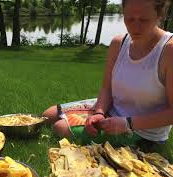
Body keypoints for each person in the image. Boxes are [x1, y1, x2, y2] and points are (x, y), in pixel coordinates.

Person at [43, 0, 173, 146]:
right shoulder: (119, 43)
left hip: (143, 131)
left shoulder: (168, 50)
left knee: (60, 127)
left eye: (144, 20)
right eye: (130, 19)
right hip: (112, 110)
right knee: (47, 115)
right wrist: (99, 112)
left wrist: (128, 123)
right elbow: (107, 88)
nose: (135, 27)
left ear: (160, 15)